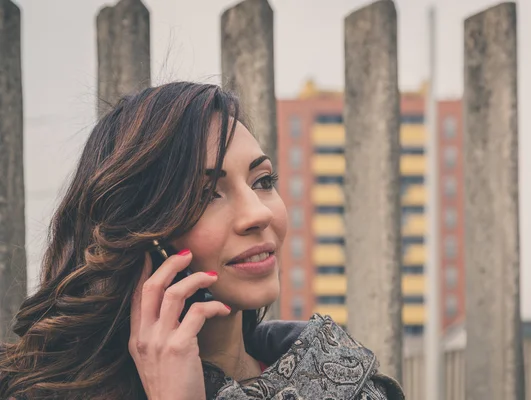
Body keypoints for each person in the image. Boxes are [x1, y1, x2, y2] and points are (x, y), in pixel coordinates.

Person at [0, 82, 405, 400]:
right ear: (139, 231)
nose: (259, 214)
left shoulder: (343, 379)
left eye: (263, 182)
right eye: (206, 194)